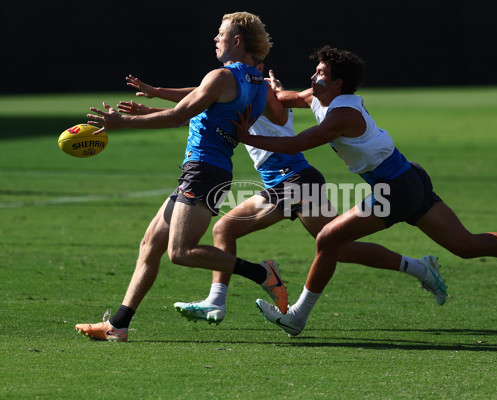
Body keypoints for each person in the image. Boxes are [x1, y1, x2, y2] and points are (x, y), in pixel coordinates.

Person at [232, 45, 497, 337]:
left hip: (395, 189)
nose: (313, 77)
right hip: (410, 177)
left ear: (338, 83)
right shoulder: (322, 97)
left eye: (321, 73)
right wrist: (272, 89)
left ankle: (297, 317)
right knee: (465, 246)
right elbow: (293, 97)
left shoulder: (343, 114)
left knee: (327, 240)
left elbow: (296, 144)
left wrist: (246, 136)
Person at [119, 71, 447, 326]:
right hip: (291, 181)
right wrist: (155, 103)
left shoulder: (257, 92)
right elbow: (204, 110)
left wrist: (159, 95)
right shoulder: (247, 93)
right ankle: (418, 267)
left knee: (225, 230)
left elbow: (203, 99)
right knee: (340, 249)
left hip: (295, 180)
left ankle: (217, 302)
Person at [75, 12, 289, 342]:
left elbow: (180, 116)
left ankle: (263, 273)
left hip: (203, 171)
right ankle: (118, 325)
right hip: (207, 171)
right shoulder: (255, 83)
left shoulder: (222, 77)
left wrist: (123, 124)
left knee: (180, 252)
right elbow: (208, 95)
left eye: (221, 33)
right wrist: (158, 94)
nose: (215, 38)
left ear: (236, 40)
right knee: (150, 245)